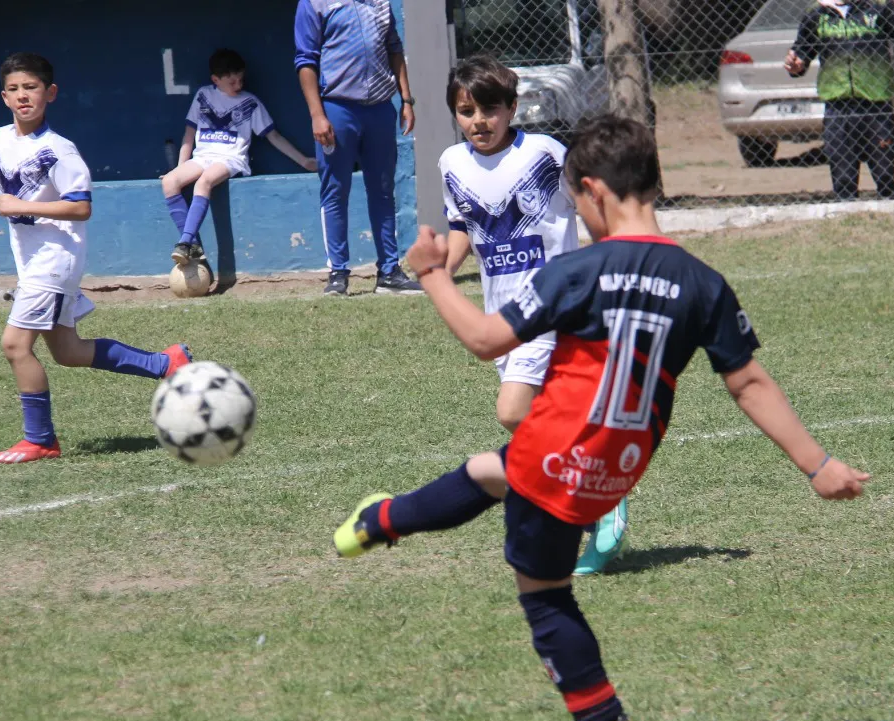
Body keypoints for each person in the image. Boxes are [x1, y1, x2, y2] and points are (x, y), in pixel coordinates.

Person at [332, 115, 871, 721]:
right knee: (485, 471)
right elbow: (750, 382)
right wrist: (816, 464)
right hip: (613, 468)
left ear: (592, 192)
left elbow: (484, 340)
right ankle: (379, 520)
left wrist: (432, 276)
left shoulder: (579, 270)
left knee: (545, 592)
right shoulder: (703, 282)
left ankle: (599, 720)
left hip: (554, 451)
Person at [0, 52, 194, 464]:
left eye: (31, 87)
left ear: (51, 93)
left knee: (14, 345)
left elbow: (80, 208)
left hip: (55, 258)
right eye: (14, 89)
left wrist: (21, 207)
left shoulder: (60, 150)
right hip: (31, 262)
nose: (23, 96)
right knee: (68, 351)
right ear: (4, 97)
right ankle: (165, 363)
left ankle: (40, 439)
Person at [439, 54, 625, 576]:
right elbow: (462, 225)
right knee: (540, 424)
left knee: (513, 412)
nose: (479, 120)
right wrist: (444, 267)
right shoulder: (452, 165)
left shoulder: (545, 155)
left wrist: (607, 256)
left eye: (490, 109)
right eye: (466, 110)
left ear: (512, 108)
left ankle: (599, 502)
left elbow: (591, 205)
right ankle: (594, 495)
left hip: (551, 307)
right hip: (500, 319)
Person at [294, 0, 422, 296]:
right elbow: (305, 61)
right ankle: (338, 273)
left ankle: (389, 271)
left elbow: (394, 48)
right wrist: (317, 114)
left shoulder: (380, 2)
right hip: (337, 109)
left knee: (383, 189)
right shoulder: (314, 4)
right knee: (335, 190)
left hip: (379, 108)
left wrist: (406, 99)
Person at [163, 48, 318, 268]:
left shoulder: (250, 102)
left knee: (204, 181)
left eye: (241, 80)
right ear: (215, 79)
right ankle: (193, 247)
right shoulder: (203, 96)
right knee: (170, 182)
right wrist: (180, 168)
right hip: (203, 155)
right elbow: (189, 134)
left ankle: (185, 242)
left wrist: (303, 161)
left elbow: (272, 135)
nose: (238, 85)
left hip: (230, 158)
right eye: (232, 82)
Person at [785, 0, 894, 201]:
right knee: (843, 174)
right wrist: (796, 65)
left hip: (876, 103)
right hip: (838, 105)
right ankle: (846, 214)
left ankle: (890, 209)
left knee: (884, 171)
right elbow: (802, 52)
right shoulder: (816, 13)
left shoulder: (879, 6)